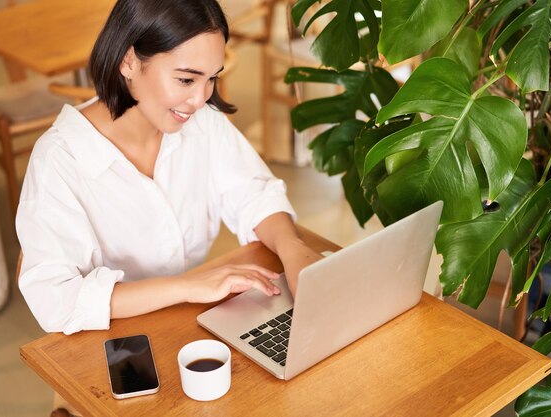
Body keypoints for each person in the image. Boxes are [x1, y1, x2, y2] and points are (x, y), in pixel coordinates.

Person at [16, 0, 322, 335]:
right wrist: (187, 287)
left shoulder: (202, 124)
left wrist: (294, 251)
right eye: (187, 79)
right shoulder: (59, 160)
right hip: (105, 345)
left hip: (180, 326)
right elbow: (57, 300)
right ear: (129, 61)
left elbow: (253, 195)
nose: (201, 98)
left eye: (211, 79)